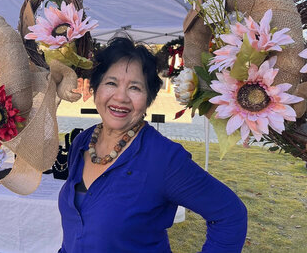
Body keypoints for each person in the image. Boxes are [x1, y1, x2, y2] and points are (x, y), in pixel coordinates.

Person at [58, 37, 247, 253]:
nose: (121, 97)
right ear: (96, 89)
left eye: (135, 88)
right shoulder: (83, 142)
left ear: (148, 99)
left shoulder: (165, 159)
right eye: (111, 83)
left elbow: (230, 215)